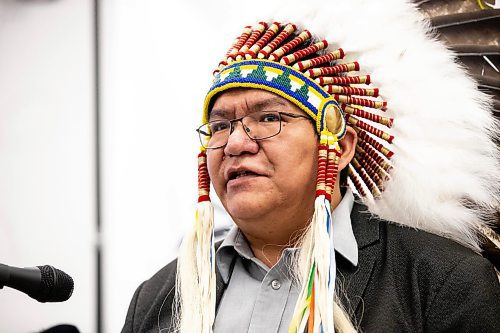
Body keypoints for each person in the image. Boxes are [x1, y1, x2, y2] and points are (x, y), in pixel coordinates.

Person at [122, 0, 500, 332]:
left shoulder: (440, 282)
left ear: (340, 145)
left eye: (269, 118)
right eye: (220, 126)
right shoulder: (160, 295)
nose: (235, 143)